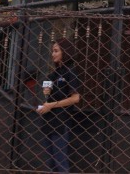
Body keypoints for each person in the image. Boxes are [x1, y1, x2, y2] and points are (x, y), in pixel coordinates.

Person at [37, 38, 81, 173]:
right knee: (51, 162)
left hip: (61, 121)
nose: (53, 54)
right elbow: (47, 96)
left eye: (56, 51)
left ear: (65, 52)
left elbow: (75, 98)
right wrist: (46, 96)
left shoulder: (71, 72)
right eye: (52, 51)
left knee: (60, 161)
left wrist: (52, 105)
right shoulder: (53, 74)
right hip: (48, 120)